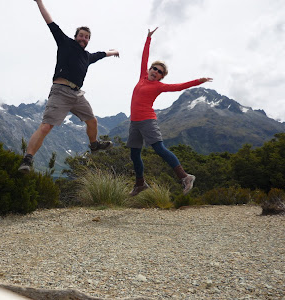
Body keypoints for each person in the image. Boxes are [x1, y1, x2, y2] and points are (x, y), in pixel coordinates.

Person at [19, 0, 120, 173]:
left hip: (77, 95)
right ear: (76, 36)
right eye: (81, 35)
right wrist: (39, 2)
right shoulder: (65, 43)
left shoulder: (87, 56)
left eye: (87, 37)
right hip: (60, 92)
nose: (84, 38)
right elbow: (50, 22)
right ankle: (27, 160)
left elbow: (102, 54)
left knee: (92, 121)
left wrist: (113, 52)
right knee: (45, 127)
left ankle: (94, 145)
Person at [127, 27, 212, 196]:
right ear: (150, 70)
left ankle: (185, 177)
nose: (155, 71)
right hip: (134, 122)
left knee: (159, 149)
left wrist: (198, 81)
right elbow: (144, 57)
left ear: (161, 77)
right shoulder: (142, 77)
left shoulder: (159, 86)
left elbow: (180, 86)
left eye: (159, 72)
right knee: (134, 154)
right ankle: (140, 184)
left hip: (147, 121)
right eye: (154, 68)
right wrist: (148, 38)